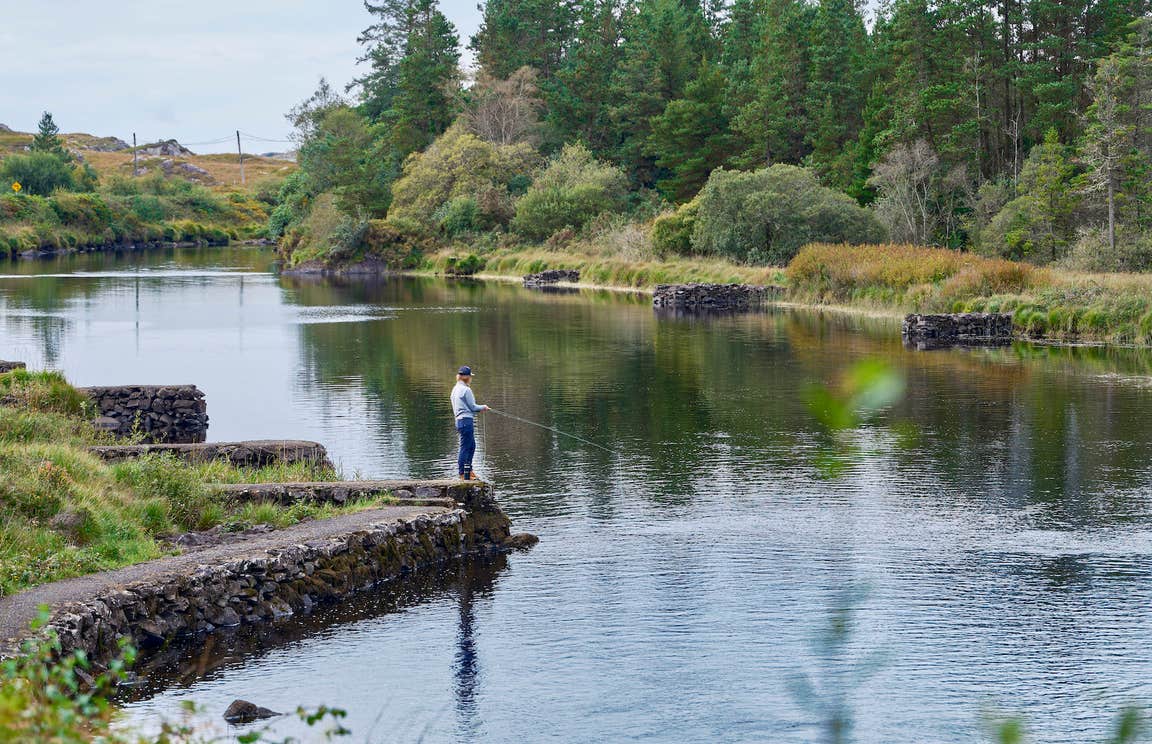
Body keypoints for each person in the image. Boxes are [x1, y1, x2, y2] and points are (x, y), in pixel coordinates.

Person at [451, 365, 488, 480]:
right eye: (470, 377)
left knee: (471, 446)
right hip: (466, 421)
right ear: (466, 377)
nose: (471, 379)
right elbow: (472, 407)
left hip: (459, 421)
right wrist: (484, 407)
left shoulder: (455, 389)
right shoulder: (466, 390)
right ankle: (463, 473)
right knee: (466, 447)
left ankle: (469, 470)